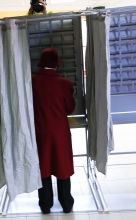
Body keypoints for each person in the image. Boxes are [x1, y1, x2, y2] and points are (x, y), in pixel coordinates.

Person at [32, 48, 76, 214]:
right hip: (60, 133)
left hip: (39, 131)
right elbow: (69, 108)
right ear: (57, 64)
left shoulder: (31, 81)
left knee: (43, 167)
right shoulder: (64, 83)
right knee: (62, 166)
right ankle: (66, 204)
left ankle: (45, 205)